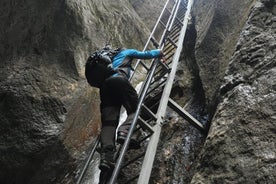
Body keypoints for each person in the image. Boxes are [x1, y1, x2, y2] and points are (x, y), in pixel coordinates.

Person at [98, 47, 165, 172]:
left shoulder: (107, 61)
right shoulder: (126, 52)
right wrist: (159, 52)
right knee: (136, 108)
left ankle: (106, 157)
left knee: (109, 124)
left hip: (104, 89)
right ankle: (124, 131)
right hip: (118, 80)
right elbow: (146, 54)